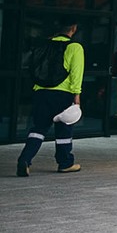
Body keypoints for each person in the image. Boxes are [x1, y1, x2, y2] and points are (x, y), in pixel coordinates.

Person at [17, 22, 85, 176]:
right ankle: (65, 163)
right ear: (73, 28)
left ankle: (25, 159)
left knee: (38, 128)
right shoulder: (75, 47)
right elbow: (76, 73)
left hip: (41, 92)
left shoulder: (43, 45)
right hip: (63, 94)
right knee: (64, 129)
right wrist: (77, 96)